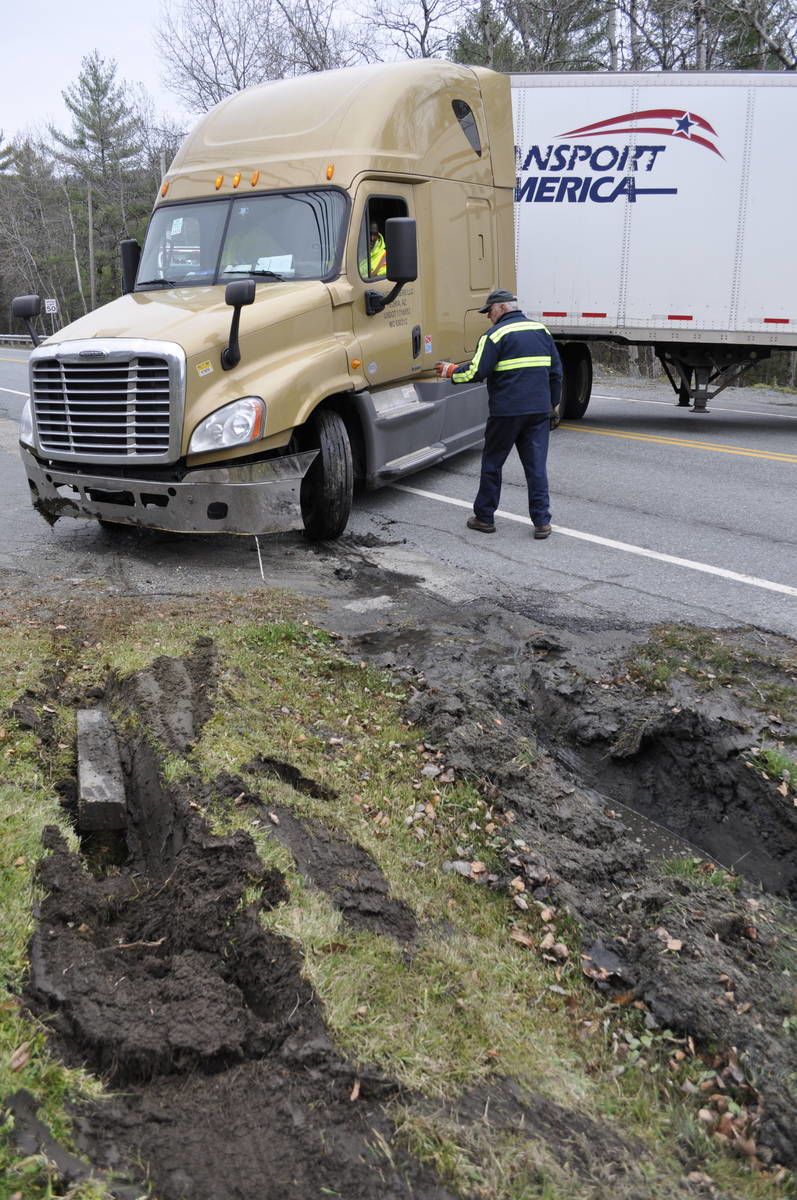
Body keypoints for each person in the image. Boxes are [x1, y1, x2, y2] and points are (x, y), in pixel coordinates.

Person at [436, 288, 562, 538]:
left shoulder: (494, 335)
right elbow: (556, 373)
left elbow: (476, 372)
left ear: (503, 308)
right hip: (538, 411)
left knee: (492, 464)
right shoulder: (541, 331)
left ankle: (484, 518)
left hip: (506, 413)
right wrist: (552, 405)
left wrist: (451, 372)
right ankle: (542, 522)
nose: (487, 316)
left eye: (489, 311)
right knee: (536, 467)